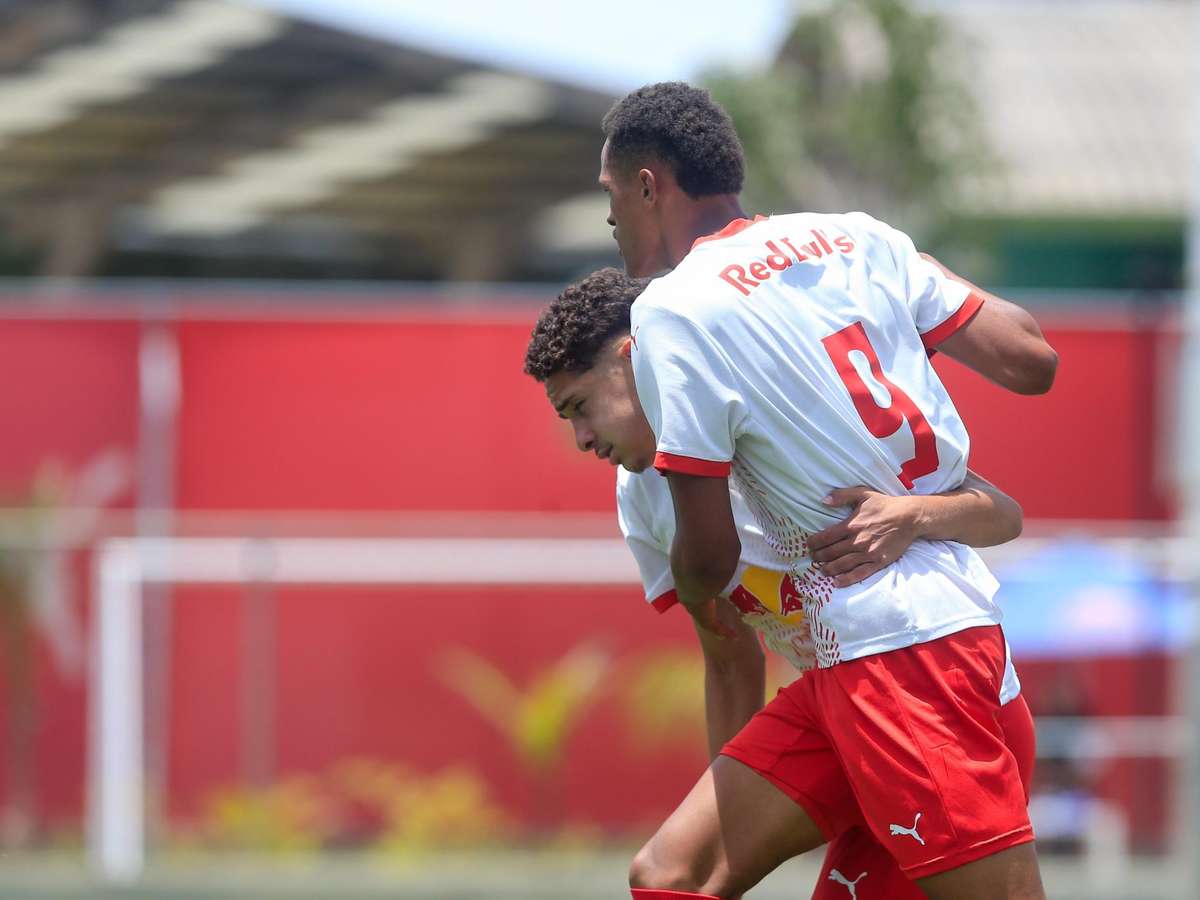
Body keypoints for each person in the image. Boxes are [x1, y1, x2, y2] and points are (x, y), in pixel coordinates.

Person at [593, 82, 1056, 899]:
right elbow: (1031, 360)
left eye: (609, 195)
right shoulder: (858, 238)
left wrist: (698, 591)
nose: (608, 219)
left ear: (647, 185)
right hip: (884, 649)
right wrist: (912, 272)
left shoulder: (673, 309)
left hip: (904, 654)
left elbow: (711, 554)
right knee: (673, 874)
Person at [523, 270, 1037, 898]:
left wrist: (914, 515)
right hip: (832, 702)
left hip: (926, 688)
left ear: (638, 358)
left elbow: (1004, 512)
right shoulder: (642, 495)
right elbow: (727, 654)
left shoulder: (779, 416)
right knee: (673, 875)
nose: (581, 439)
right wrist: (739, 804)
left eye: (581, 407)